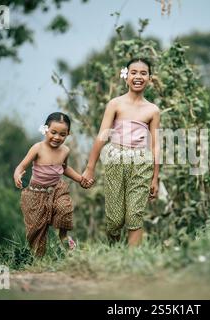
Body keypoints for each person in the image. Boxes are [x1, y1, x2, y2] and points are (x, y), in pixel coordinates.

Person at [80, 57, 160, 246]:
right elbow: (102, 136)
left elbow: (156, 145)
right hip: (116, 159)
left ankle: (133, 262)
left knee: (135, 214)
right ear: (126, 76)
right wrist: (90, 167)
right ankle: (114, 251)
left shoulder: (153, 110)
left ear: (149, 78)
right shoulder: (115, 104)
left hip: (142, 162)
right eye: (134, 72)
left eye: (143, 73)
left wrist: (155, 177)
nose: (138, 76)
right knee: (115, 219)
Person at [13, 112, 85, 257]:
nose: (57, 137)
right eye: (53, 132)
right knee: (36, 230)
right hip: (36, 193)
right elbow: (21, 166)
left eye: (62, 134)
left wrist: (80, 179)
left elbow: (64, 168)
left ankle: (64, 237)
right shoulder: (37, 148)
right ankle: (38, 259)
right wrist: (17, 175)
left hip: (56, 190)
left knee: (64, 207)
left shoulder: (65, 150)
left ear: (68, 134)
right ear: (46, 130)